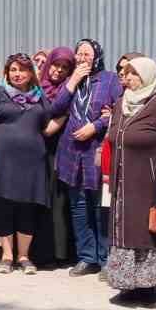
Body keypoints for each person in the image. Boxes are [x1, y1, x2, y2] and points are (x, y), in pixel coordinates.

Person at [103, 57, 156, 305]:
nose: (126, 78)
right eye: (125, 74)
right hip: (123, 181)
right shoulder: (121, 104)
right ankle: (131, 285)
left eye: (133, 74)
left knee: (151, 232)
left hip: (150, 182)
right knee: (125, 231)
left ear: (147, 76)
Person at [0, 52, 67, 274]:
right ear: (6, 73)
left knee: (28, 207)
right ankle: (7, 257)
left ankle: (24, 256)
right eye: (13, 70)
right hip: (2, 160)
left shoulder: (39, 97)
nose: (17, 74)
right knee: (4, 205)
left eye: (22, 69)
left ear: (31, 73)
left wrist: (66, 115)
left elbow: (46, 128)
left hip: (32, 162)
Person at [52, 39, 122, 277]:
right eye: (79, 53)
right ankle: (86, 257)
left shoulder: (110, 79)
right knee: (78, 206)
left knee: (100, 206)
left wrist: (97, 125)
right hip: (72, 153)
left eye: (87, 54)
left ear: (97, 56)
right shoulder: (71, 80)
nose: (82, 58)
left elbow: (118, 110)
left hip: (96, 150)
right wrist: (72, 80)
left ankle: (104, 259)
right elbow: (56, 108)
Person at [34, 45, 77, 270]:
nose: (58, 71)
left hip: (59, 151)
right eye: (56, 65)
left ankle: (59, 253)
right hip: (36, 151)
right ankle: (39, 251)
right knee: (39, 200)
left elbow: (56, 123)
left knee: (58, 202)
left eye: (64, 67)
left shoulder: (70, 92)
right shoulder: (36, 88)